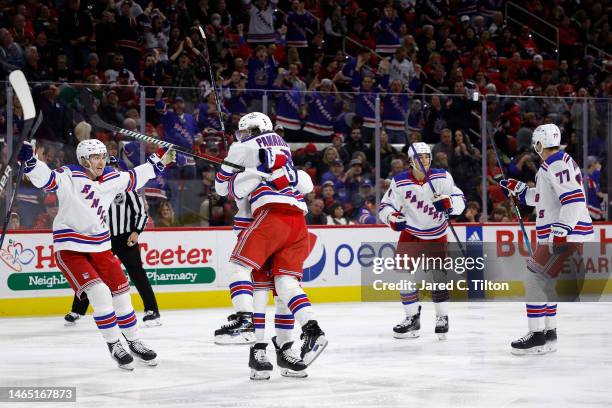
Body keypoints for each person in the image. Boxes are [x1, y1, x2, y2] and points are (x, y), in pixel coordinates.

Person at [17, 138, 175, 370]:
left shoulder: (111, 177)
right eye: (95, 157)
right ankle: (114, 344)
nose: (101, 161)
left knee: (122, 294)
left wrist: (160, 157)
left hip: (101, 247)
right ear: (83, 160)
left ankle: (133, 340)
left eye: (103, 156)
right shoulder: (69, 175)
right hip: (71, 248)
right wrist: (31, 162)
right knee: (100, 293)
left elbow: (135, 176)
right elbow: (47, 180)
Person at [214, 112, 327, 379]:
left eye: (245, 131)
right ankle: (285, 348)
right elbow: (306, 183)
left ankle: (259, 345)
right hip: (295, 219)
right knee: (285, 288)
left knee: (260, 289)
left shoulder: (243, 149)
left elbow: (222, 189)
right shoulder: (283, 150)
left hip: (261, 221)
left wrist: (229, 167)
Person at [500, 124, 593, 355]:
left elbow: (574, 199)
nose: (535, 148)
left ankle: (537, 336)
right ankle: (549, 333)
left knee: (534, 279)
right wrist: (521, 191)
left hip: (563, 234)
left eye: (536, 144)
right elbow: (543, 199)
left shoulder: (556, 163)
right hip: (562, 233)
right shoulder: (553, 164)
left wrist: (561, 230)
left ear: (540, 143)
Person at [378, 142, 465, 340]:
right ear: (411, 161)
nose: (424, 161)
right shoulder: (400, 181)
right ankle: (412, 319)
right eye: (420, 157)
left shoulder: (442, 177)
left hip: (436, 233)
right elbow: (386, 205)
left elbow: (459, 199)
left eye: (427, 157)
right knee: (404, 276)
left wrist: (449, 203)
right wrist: (392, 218)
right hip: (411, 233)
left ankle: (442, 317)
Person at [64, 156, 162, 328]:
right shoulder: (92, 187)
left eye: (114, 166)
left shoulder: (126, 188)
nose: (111, 169)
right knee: (91, 273)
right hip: (101, 239)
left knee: (137, 273)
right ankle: (78, 310)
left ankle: (152, 310)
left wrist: (136, 232)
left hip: (125, 238)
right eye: (108, 166)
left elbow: (141, 213)